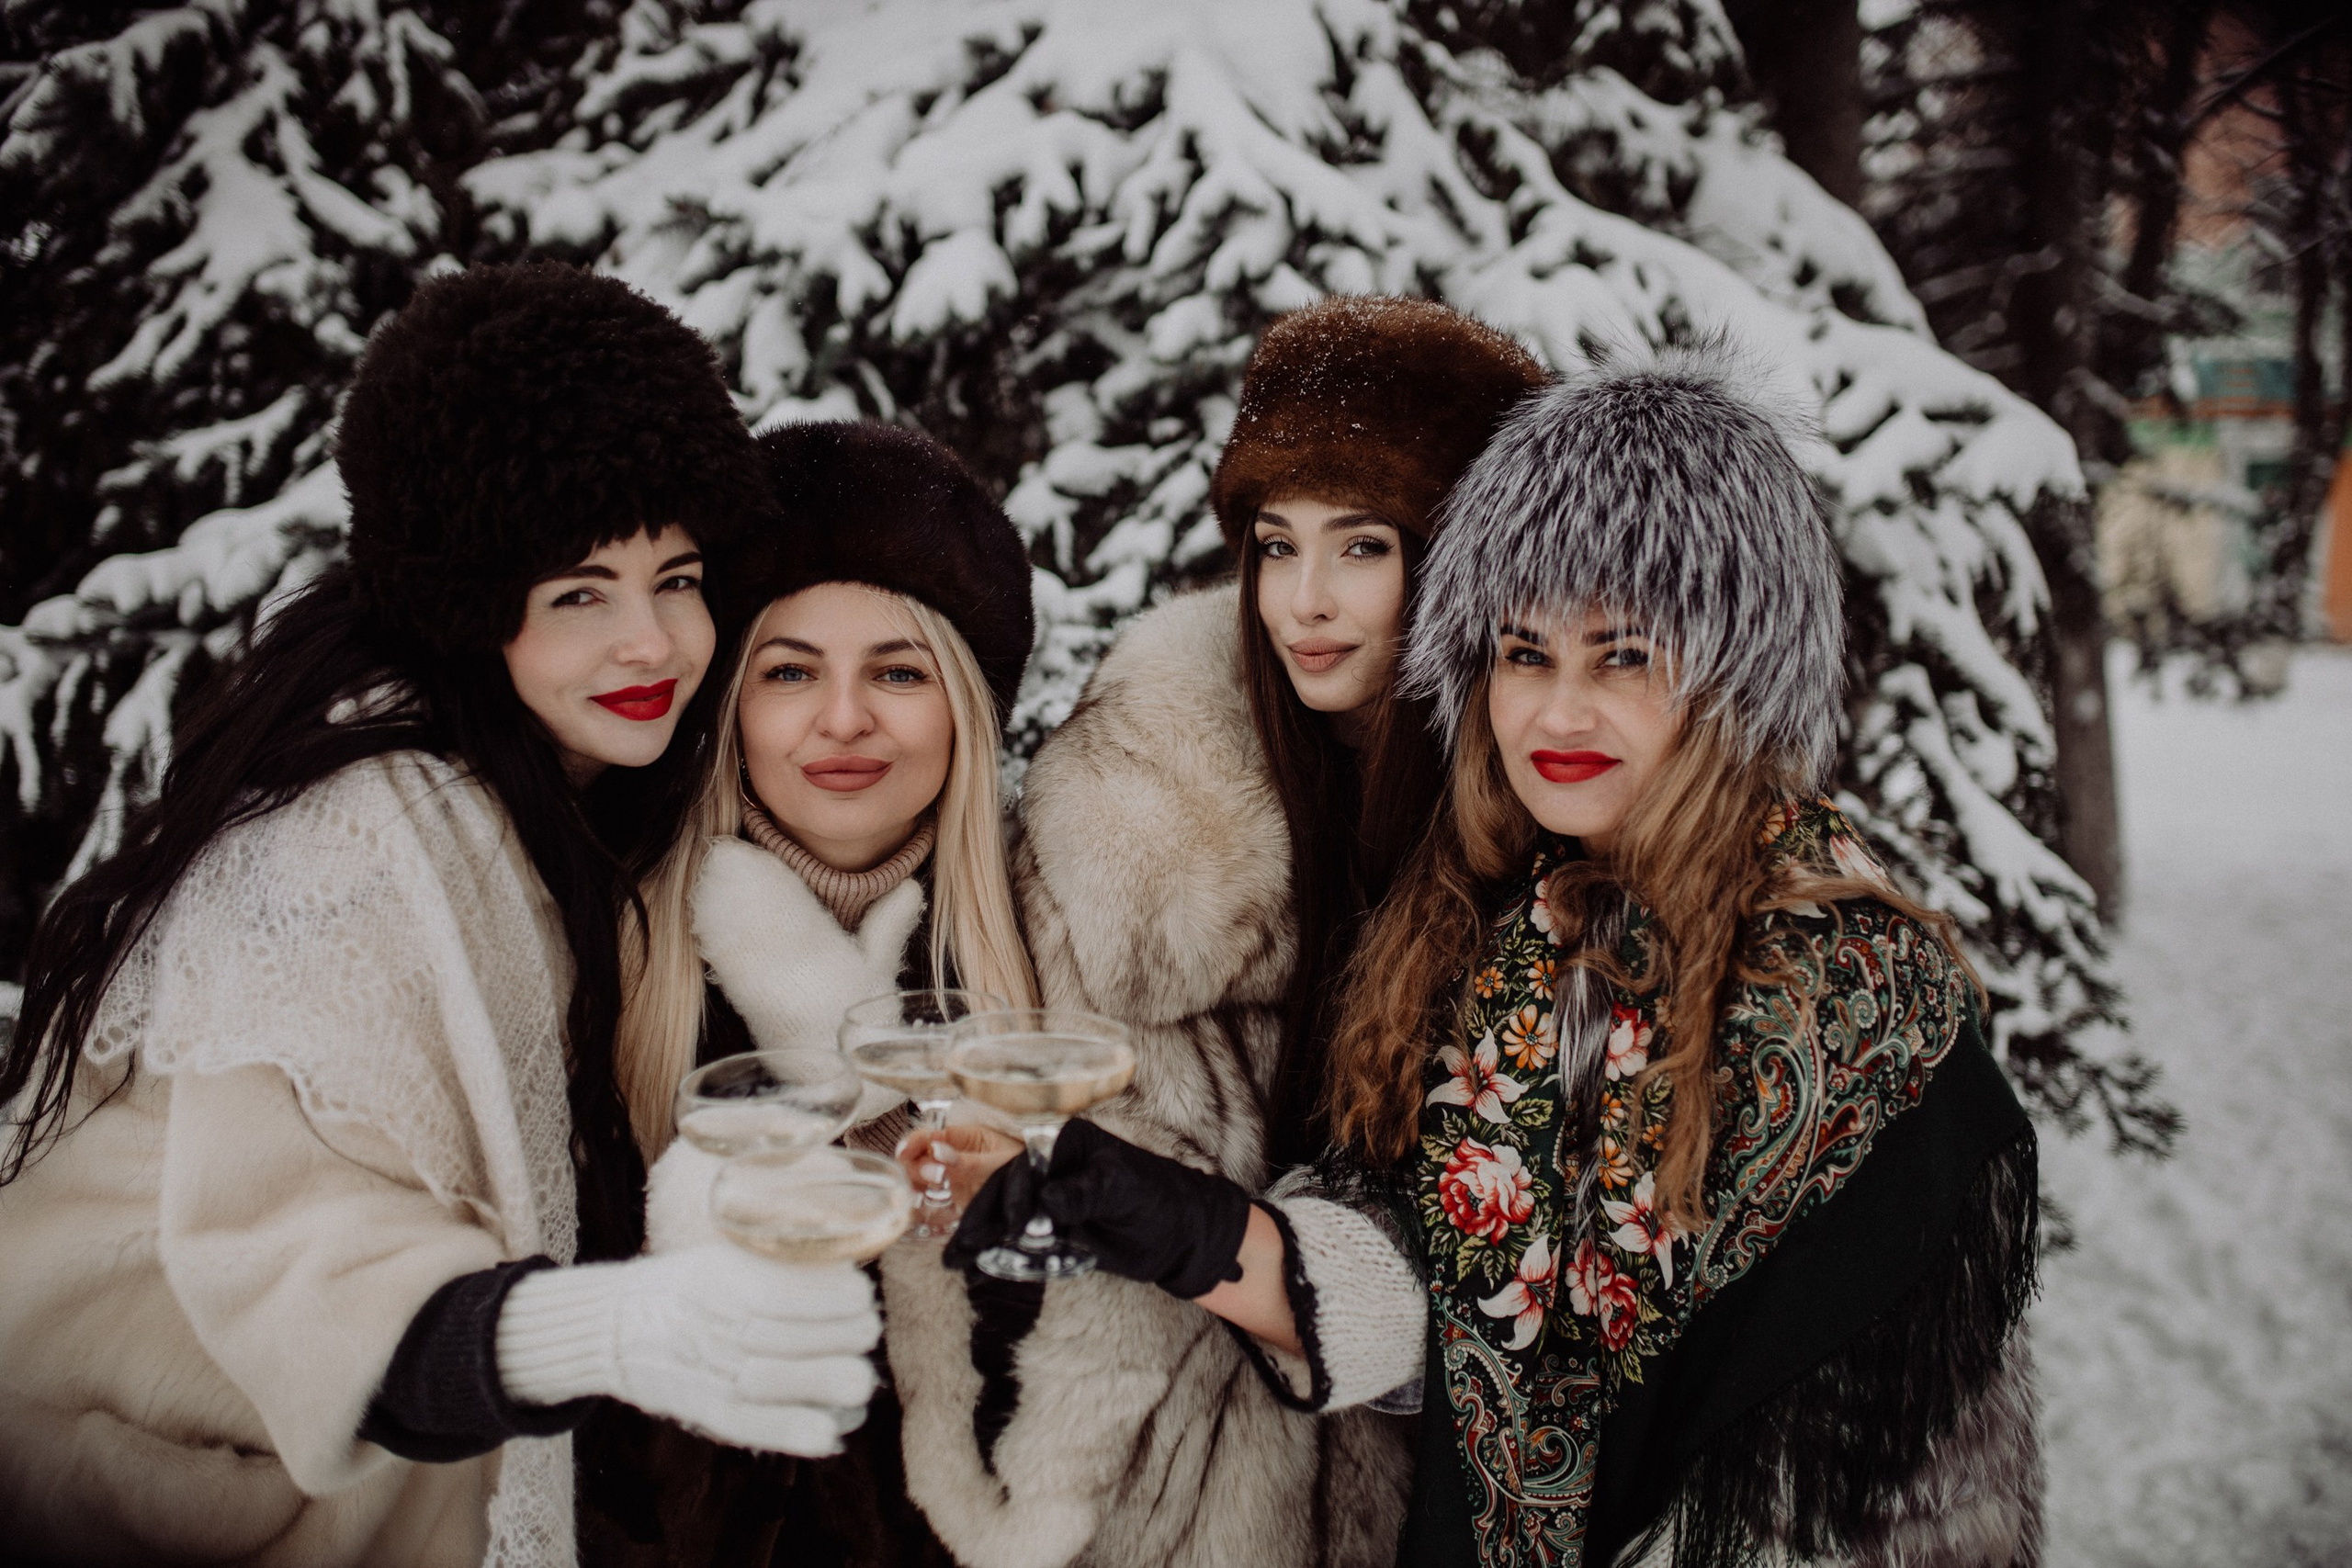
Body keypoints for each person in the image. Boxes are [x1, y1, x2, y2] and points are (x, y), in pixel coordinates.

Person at [979, 344, 2044, 1567]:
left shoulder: (1844, 991)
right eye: (1525, 652)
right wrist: (1173, 1221)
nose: (1556, 711)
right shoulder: (1515, 943)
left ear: (1737, 668)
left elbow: (1871, 1484)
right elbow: (1455, 1313)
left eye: (1622, 655)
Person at [0, 264, 882, 1568]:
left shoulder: (561, 785)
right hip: (179, 1481)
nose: (652, 641)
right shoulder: (359, 838)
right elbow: (299, 1265)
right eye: (580, 591)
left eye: (677, 575)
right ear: (470, 606)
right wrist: (609, 1331)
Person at [890, 297, 1550, 1568]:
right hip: (1185, 1503)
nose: (1304, 600)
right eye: (1274, 543)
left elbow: (1524, 1298)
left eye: (1363, 546)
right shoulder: (1135, 817)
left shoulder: (1549, 830)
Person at [610, 420, 1040, 1566]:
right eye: (789, 671)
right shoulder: (619, 960)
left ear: (963, 707)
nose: (843, 720)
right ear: (728, 706)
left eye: (898, 672)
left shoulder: (1053, 955)